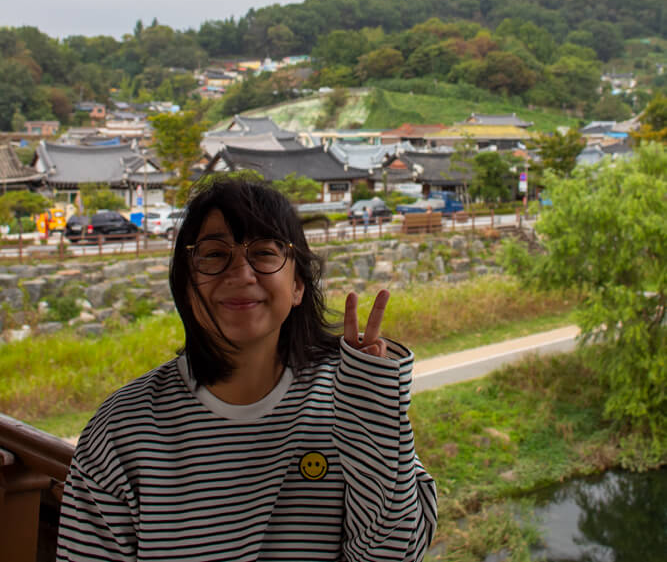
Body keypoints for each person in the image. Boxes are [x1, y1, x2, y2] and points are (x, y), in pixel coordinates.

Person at [56, 177, 437, 562]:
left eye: (265, 252)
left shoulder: (347, 396)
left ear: (298, 286)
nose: (240, 274)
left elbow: (394, 554)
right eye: (214, 254)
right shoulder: (122, 432)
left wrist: (370, 413)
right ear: (187, 285)